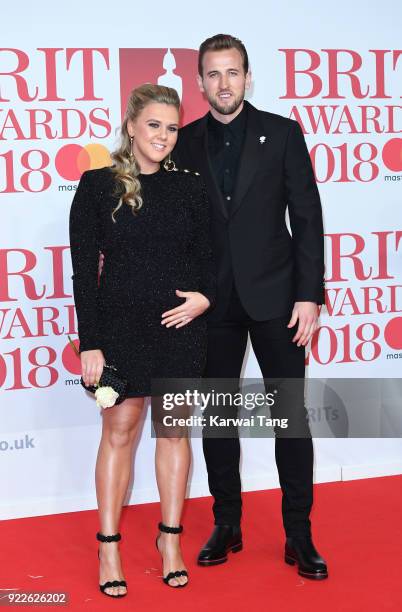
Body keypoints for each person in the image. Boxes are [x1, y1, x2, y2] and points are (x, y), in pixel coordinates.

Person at [173, 34, 328, 580]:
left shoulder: (283, 134)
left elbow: (307, 218)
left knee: (291, 420)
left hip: (278, 299)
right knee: (217, 418)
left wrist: (309, 295)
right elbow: (176, 229)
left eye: (232, 72)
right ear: (198, 83)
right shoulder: (184, 143)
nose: (223, 83)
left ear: (248, 76)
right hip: (211, 304)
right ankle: (227, 522)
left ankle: (299, 535)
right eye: (212, 74)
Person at [69, 83, 215, 597]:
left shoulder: (191, 188)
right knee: (120, 433)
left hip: (180, 329)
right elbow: (83, 273)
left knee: (174, 433)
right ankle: (108, 546)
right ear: (130, 125)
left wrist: (205, 298)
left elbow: (214, 258)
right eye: (154, 125)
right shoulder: (95, 186)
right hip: (118, 332)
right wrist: (91, 342)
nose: (164, 136)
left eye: (173, 127)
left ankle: (169, 541)